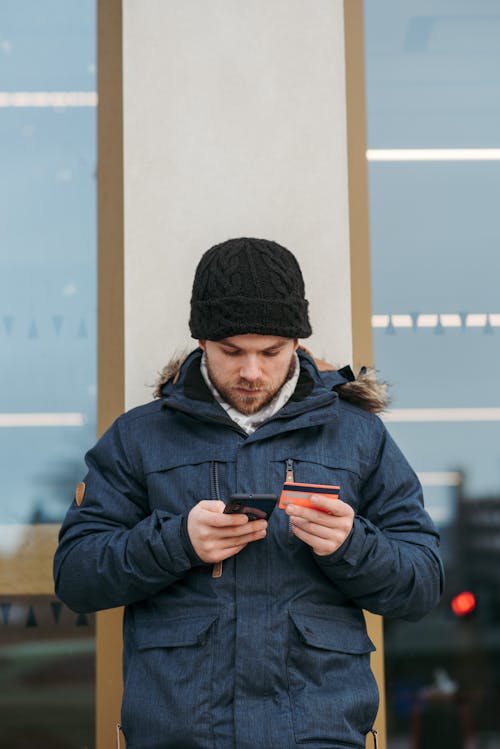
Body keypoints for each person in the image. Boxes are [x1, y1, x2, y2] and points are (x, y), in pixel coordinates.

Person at [54, 237, 443, 749]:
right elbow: (76, 576)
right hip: (180, 735)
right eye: (232, 351)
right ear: (201, 344)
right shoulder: (138, 437)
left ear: (298, 345)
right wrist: (177, 543)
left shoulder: (359, 437)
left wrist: (353, 545)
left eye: (271, 351)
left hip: (318, 735)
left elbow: (423, 584)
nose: (252, 371)